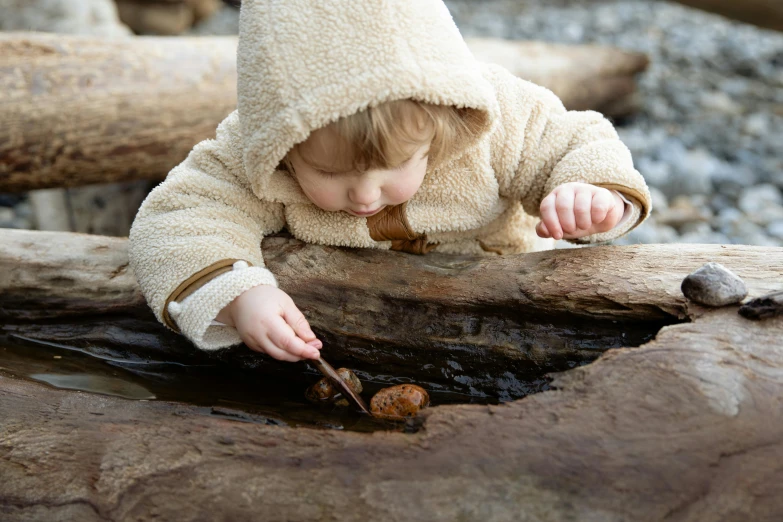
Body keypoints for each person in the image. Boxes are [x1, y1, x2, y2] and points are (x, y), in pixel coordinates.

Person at [129, 0, 651, 361]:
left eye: (398, 166)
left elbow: (571, 138)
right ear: (283, 150)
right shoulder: (257, 148)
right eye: (330, 172)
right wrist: (238, 294)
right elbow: (180, 215)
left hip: (502, 311)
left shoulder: (489, 114)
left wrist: (590, 193)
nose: (365, 194)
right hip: (347, 324)